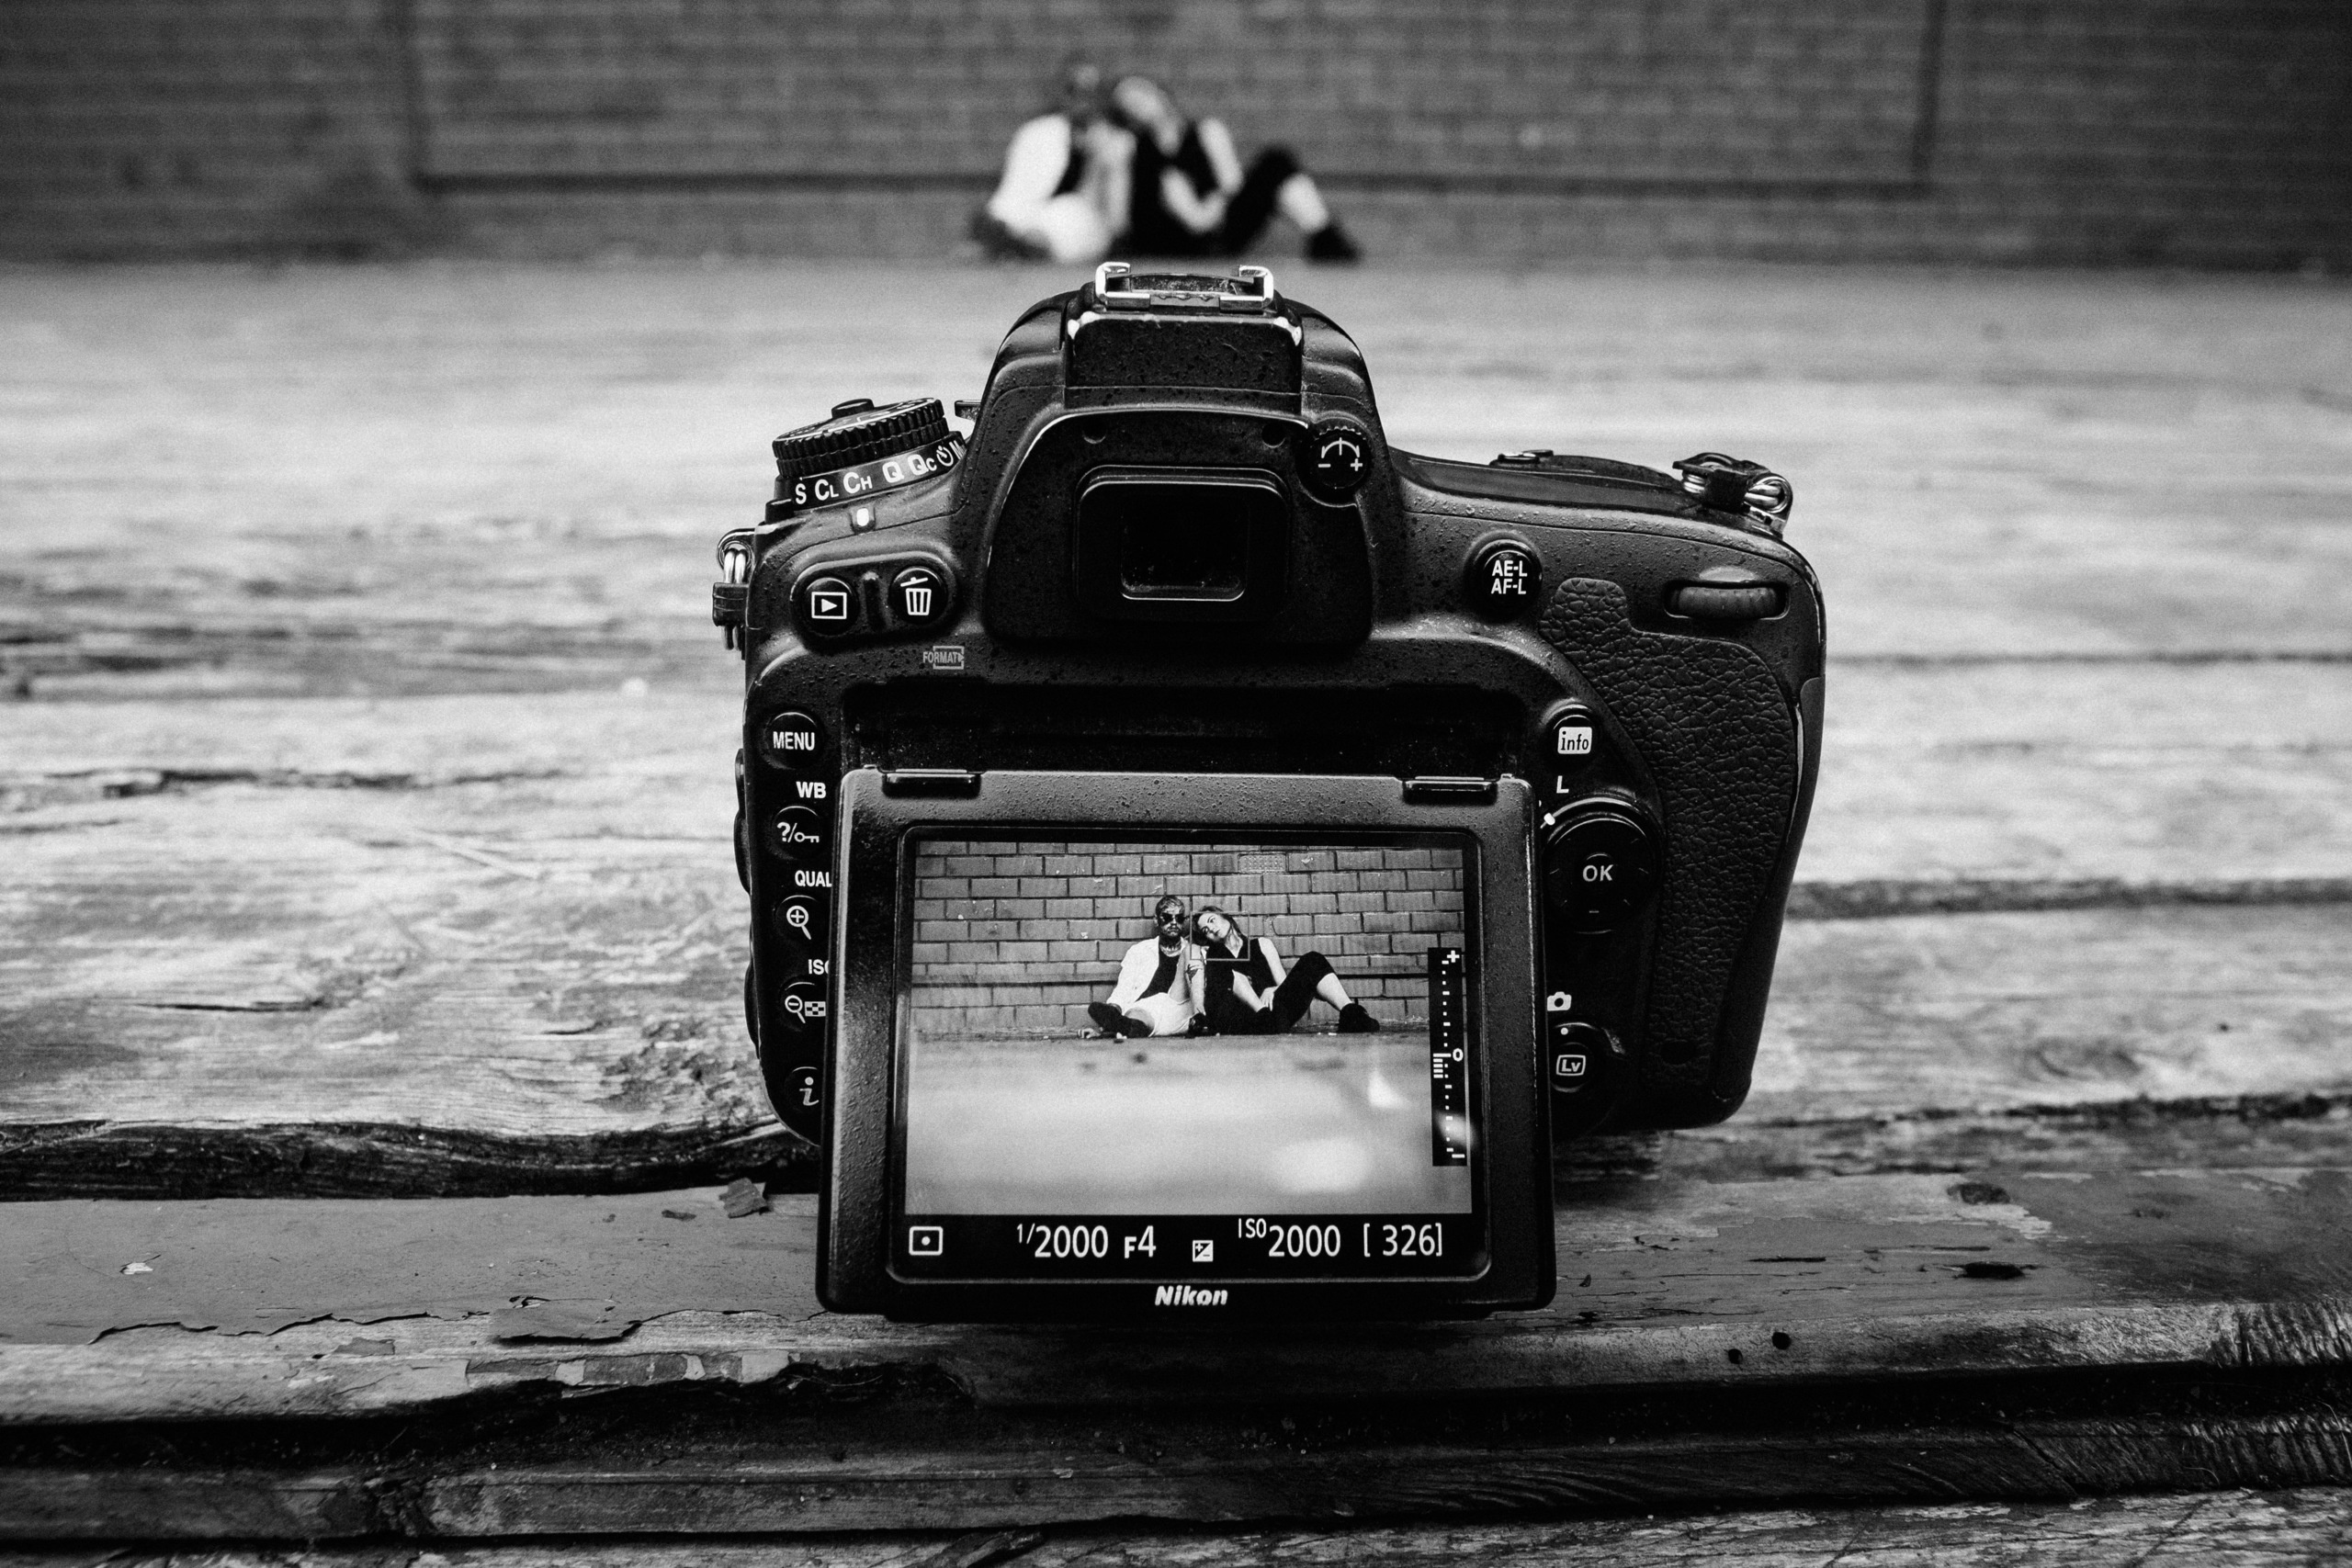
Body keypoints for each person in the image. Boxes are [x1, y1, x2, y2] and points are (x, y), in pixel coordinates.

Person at [1108, 75, 1361, 264]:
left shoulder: (1207, 131)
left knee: (1275, 162)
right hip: (1169, 241)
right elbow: (1125, 216)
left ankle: (1323, 235)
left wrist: (1207, 212)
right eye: (1128, 103)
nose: (1137, 103)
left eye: (1140, 94)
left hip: (1217, 228)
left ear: (1160, 93)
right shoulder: (1133, 150)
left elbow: (1232, 184)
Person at [969, 59, 1134, 265]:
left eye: (1091, 91)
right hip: (1032, 219)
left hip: (1083, 225)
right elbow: (1014, 193)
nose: (1083, 100)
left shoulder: (1115, 140)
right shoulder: (1041, 132)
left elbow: (1116, 218)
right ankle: (1013, 245)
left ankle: (1021, 248)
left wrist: (1100, 159)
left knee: (1066, 212)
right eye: (1075, 90)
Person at [1187, 906, 1379, 1035]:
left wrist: (1273, 989)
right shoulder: (1212, 955)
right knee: (1230, 974)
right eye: (1205, 930)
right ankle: (1263, 1017)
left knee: (1313, 959)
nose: (1211, 929)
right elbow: (1217, 995)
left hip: (1274, 1015)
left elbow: (1282, 983)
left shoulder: (1262, 944)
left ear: (1225, 917)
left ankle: (1351, 1014)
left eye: (1212, 920)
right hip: (1241, 1020)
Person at [1088, 894, 1202, 1039]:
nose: (1174, 923)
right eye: (1167, 918)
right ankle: (1130, 1027)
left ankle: (1128, 1028)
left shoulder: (1194, 952)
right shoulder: (1139, 951)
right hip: (1146, 1010)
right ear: (1156, 920)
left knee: (1191, 951)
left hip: (1179, 1010)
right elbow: (1123, 989)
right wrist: (1104, 1026)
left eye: (1179, 918)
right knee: (1135, 1015)